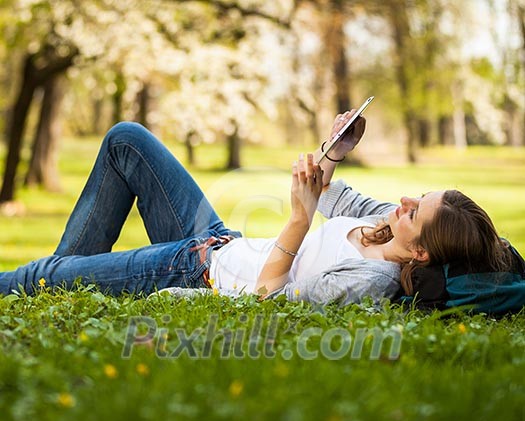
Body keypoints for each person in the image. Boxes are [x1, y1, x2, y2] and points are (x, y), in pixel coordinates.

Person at [0, 113, 514, 307]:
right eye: (416, 195)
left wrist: (298, 219)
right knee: (127, 141)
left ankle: (50, 283)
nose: (403, 201)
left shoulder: (366, 282)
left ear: (421, 251)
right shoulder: (386, 223)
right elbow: (334, 192)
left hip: (201, 270)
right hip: (219, 240)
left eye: (414, 211)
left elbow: (267, 299)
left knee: (51, 274)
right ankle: (55, 284)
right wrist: (334, 150)